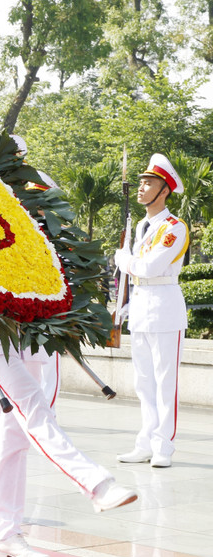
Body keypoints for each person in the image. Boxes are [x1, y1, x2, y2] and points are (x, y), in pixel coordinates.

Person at [0, 335, 138, 557]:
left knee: (14, 439)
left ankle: (5, 532)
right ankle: (96, 485)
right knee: (36, 413)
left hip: (28, 335)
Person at [115, 153, 188, 468]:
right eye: (142, 182)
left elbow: (149, 267)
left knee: (164, 381)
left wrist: (124, 260)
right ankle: (145, 442)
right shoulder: (142, 226)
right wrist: (125, 305)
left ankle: (163, 447)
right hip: (142, 308)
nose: (143, 187)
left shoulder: (174, 227)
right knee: (143, 382)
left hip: (165, 308)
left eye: (151, 183)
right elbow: (137, 275)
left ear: (165, 191)